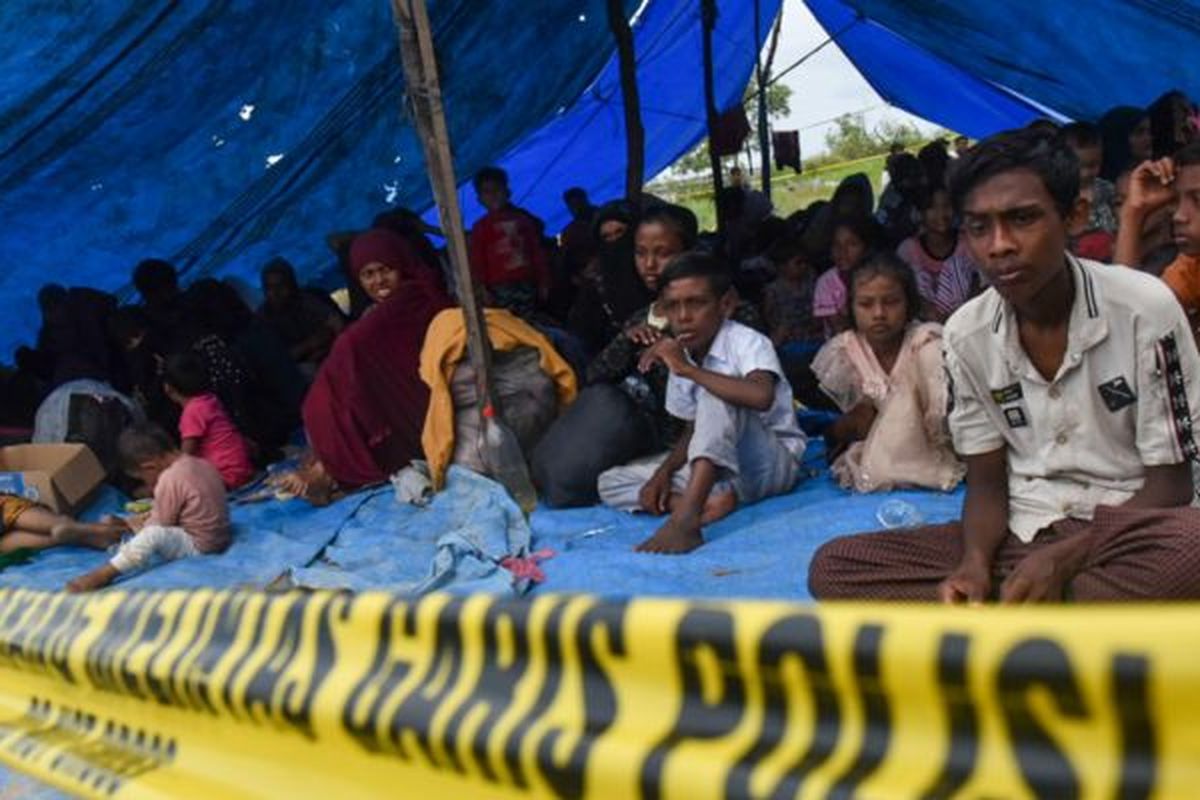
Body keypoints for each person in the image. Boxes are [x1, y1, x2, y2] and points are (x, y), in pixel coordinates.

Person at [809, 127, 1200, 602]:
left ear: (1073, 216)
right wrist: (974, 564)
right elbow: (988, 483)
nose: (999, 246)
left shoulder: (1143, 308)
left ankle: (1020, 607)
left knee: (1191, 554)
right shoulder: (965, 333)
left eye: (1022, 219)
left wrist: (1066, 556)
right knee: (835, 567)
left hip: (1130, 531)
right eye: (978, 227)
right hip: (1023, 531)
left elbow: (1171, 486)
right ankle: (1039, 603)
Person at [597, 253, 805, 553]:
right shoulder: (682, 354)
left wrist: (689, 371)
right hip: (718, 472)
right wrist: (664, 474)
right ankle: (705, 501)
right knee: (611, 482)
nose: (683, 316)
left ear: (726, 304)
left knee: (717, 390)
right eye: (672, 306)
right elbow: (694, 430)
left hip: (768, 465)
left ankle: (686, 519)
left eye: (696, 303)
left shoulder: (747, 342)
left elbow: (761, 396)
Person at [294, 228, 452, 498]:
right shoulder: (380, 311)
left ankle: (333, 465)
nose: (379, 281)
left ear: (400, 266)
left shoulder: (414, 296)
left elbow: (351, 346)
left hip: (427, 404)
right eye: (368, 274)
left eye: (385, 269)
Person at [813, 252, 963, 492]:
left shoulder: (926, 341)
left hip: (934, 445)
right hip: (879, 446)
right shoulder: (845, 352)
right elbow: (859, 422)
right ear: (851, 306)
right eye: (866, 304)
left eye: (891, 302)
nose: (879, 314)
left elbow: (944, 416)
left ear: (909, 303)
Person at [64, 424, 231, 592]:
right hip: (221, 535)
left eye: (142, 478)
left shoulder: (170, 478)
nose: (147, 483)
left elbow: (161, 524)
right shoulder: (201, 463)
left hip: (202, 545)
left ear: (149, 466)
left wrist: (135, 525)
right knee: (146, 517)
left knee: (152, 535)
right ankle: (111, 538)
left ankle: (105, 573)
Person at [566, 200, 650, 355]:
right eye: (607, 236)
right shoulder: (597, 283)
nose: (615, 241)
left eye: (620, 232)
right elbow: (583, 333)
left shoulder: (652, 268)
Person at [163, 352, 255, 490]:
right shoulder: (210, 399)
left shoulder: (192, 412)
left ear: (168, 388)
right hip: (241, 467)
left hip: (224, 475)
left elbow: (187, 455)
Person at [468, 166, 549, 317]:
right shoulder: (480, 227)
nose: (493, 195)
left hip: (527, 282)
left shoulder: (523, 219)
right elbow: (478, 261)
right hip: (499, 288)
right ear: (479, 199)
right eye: (487, 192)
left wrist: (543, 281)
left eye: (497, 190)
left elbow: (536, 252)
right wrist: (482, 288)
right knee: (511, 325)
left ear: (507, 192)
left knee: (533, 320)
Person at [896, 187, 981, 322]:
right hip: (923, 319)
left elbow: (980, 283)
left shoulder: (967, 242)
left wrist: (962, 314)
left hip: (964, 315)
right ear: (921, 213)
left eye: (946, 206)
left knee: (956, 265)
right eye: (932, 208)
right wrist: (930, 312)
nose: (940, 213)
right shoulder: (908, 249)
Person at [258, 257, 344, 375]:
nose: (275, 293)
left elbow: (336, 322)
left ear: (292, 285)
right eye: (269, 288)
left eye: (281, 286)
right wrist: (310, 344)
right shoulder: (263, 320)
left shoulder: (308, 299)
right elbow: (275, 361)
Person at [1059, 122, 1117, 261]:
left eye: (1092, 165)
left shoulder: (1106, 190)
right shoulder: (1058, 193)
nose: (1085, 173)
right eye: (1078, 166)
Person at [813, 217, 875, 337]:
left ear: (865, 248)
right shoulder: (826, 282)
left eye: (852, 244)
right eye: (836, 245)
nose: (843, 251)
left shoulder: (879, 277)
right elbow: (839, 329)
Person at [762, 234, 819, 347]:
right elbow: (768, 314)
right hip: (786, 331)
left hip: (810, 328)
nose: (803, 266)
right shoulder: (773, 289)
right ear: (782, 266)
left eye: (805, 262)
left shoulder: (810, 282)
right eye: (798, 263)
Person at [1099, 106, 1152, 182]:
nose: (1148, 138)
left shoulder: (1154, 176)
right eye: (1139, 132)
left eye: (1149, 132)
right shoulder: (1099, 186)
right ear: (1120, 137)